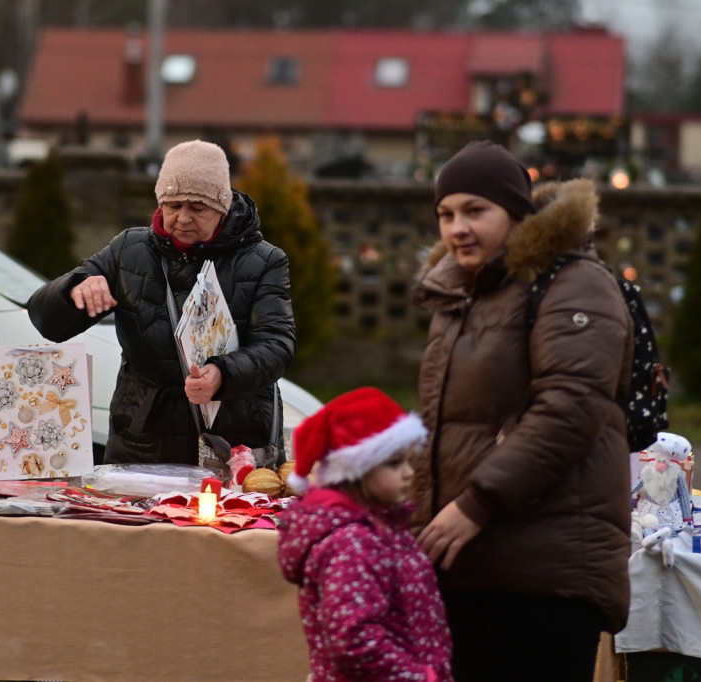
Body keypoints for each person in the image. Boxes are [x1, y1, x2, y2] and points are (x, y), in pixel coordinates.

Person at [411, 140, 634, 681]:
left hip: (545, 577)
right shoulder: (461, 295)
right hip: (469, 569)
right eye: (446, 214)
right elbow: (451, 426)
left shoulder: (574, 283)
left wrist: (476, 503)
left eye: (475, 210)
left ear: (515, 212)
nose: (458, 228)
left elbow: (570, 409)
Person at [27, 140, 295, 466]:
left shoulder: (264, 261)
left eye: (198, 208)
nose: (183, 218)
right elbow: (47, 322)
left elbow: (277, 345)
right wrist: (72, 291)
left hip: (234, 441)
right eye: (173, 205)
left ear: (222, 208)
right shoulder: (128, 251)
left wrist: (222, 374)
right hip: (142, 441)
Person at [278, 387, 453, 682]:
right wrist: (420, 677)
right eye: (394, 463)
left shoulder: (386, 526)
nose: (409, 473)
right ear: (356, 471)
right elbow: (354, 638)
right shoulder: (352, 542)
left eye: (409, 461)